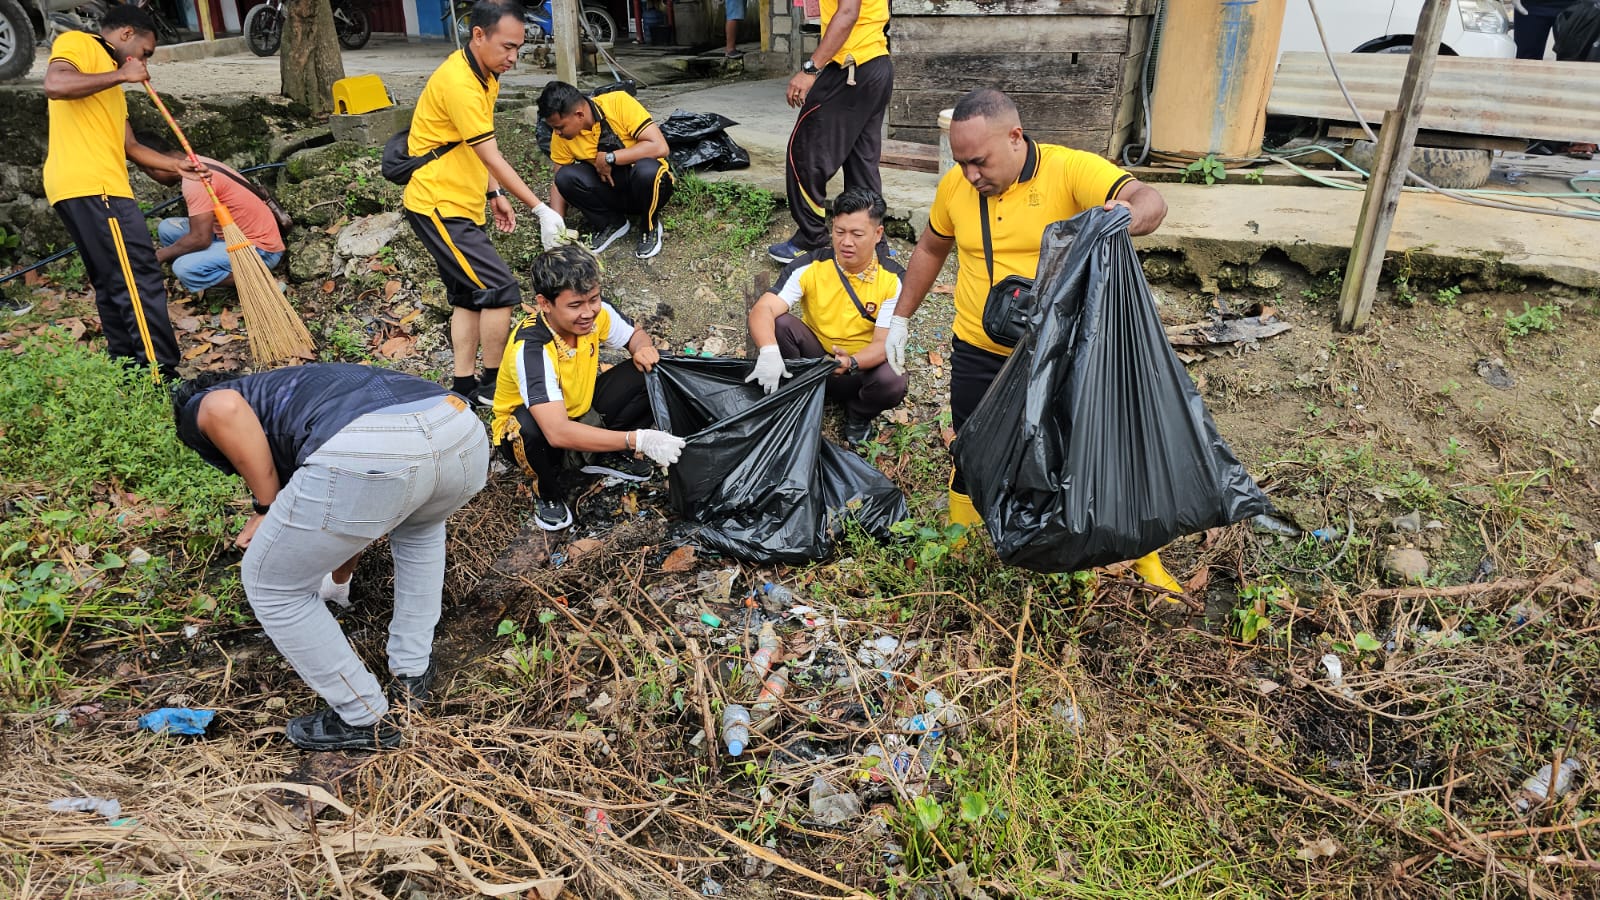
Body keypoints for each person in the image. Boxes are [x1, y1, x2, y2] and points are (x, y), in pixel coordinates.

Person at [882, 88, 1184, 593]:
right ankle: (961, 536)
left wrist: (1121, 216)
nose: (971, 175)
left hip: (1060, 351)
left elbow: (1150, 201)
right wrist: (900, 317)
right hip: (981, 347)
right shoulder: (957, 187)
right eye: (961, 163)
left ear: (1016, 137)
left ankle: (1143, 557)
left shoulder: (1068, 171)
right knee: (972, 445)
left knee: (1094, 449)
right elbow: (932, 247)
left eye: (979, 161)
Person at [171, 364, 490, 750]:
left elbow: (222, 408)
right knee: (420, 531)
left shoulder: (202, 405)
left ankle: (363, 719)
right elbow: (348, 516)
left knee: (271, 586)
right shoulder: (301, 389)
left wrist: (265, 505)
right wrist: (339, 583)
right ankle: (412, 671)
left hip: (373, 449)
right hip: (459, 430)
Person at [404, 0, 567, 408]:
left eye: (519, 48)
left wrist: (493, 193)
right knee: (501, 289)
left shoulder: (485, 75)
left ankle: (463, 385)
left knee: (466, 294)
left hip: (460, 200)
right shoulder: (459, 82)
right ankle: (493, 387)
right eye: (507, 47)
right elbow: (492, 153)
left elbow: (475, 147)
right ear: (479, 35)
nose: (514, 57)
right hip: (437, 203)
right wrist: (540, 208)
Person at [43, 4, 201, 381]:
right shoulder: (81, 43)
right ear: (127, 34)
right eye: (145, 53)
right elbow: (55, 85)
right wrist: (121, 74)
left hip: (81, 186)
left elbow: (130, 146)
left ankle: (127, 368)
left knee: (114, 280)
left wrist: (177, 166)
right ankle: (161, 375)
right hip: (95, 186)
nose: (144, 63)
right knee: (139, 275)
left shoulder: (111, 82)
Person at [489, 245, 685, 531]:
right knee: (525, 425)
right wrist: (638, 441)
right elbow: (556, 431)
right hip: (541, 435)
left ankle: (603, 454)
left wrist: (642, 349)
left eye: (593, 299)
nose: (588, 312)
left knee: (654, 367)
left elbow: (636, 337)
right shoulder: (532, 348)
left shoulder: (597, 314)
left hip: (583, 408)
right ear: (544, 303)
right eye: (575, 305)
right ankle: (547, 492)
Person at [745, 187, 906, 445]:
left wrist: (850, 362)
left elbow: (882, 344)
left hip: (857, 369)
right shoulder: (811, 266)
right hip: (814, 362)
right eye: (839, 232)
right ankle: (799, 396)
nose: (846, 242)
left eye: (857, 234)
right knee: (781, 323)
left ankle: (858, 414)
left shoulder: (893, 281)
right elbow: (763, 309)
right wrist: (769, 352)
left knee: (893, 379)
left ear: (878, 234)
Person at [766, 0, 892, 266]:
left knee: (804, 154)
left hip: (850, 68)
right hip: (875, 63)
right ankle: (870, 244)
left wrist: (811, 69)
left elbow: (847, 13)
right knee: (861, 163)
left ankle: (812, 240)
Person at [538, 81, 675, 260]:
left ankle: (649, 226)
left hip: (646, 188)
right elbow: (559, 180)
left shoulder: (619, 103)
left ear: (579, 114)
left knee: (647, 171)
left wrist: (611, 157)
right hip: (611, 191)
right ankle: (611, 223)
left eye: (560, 127)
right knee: (565, 177)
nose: (557, 133)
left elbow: (660, 147)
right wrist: (555, 224)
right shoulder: (562, 137)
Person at [137, 144, 285, 293]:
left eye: (147, 170)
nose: (152, 176)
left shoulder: (196, 180)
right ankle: (210, 268)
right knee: (167, 228)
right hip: (229, 235)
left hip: (262, 250)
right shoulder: (197, 162)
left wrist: (159, 256)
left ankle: (260, 281)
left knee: (183, 268)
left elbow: (200, 239)